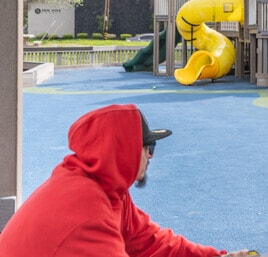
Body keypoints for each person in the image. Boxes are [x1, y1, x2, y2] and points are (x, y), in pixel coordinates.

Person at [0, 103, 251, 257]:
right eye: (148, 146)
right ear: (125, 149)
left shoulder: (106, 189)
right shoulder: (88, 213)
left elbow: (152, 243)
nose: (151, 155)